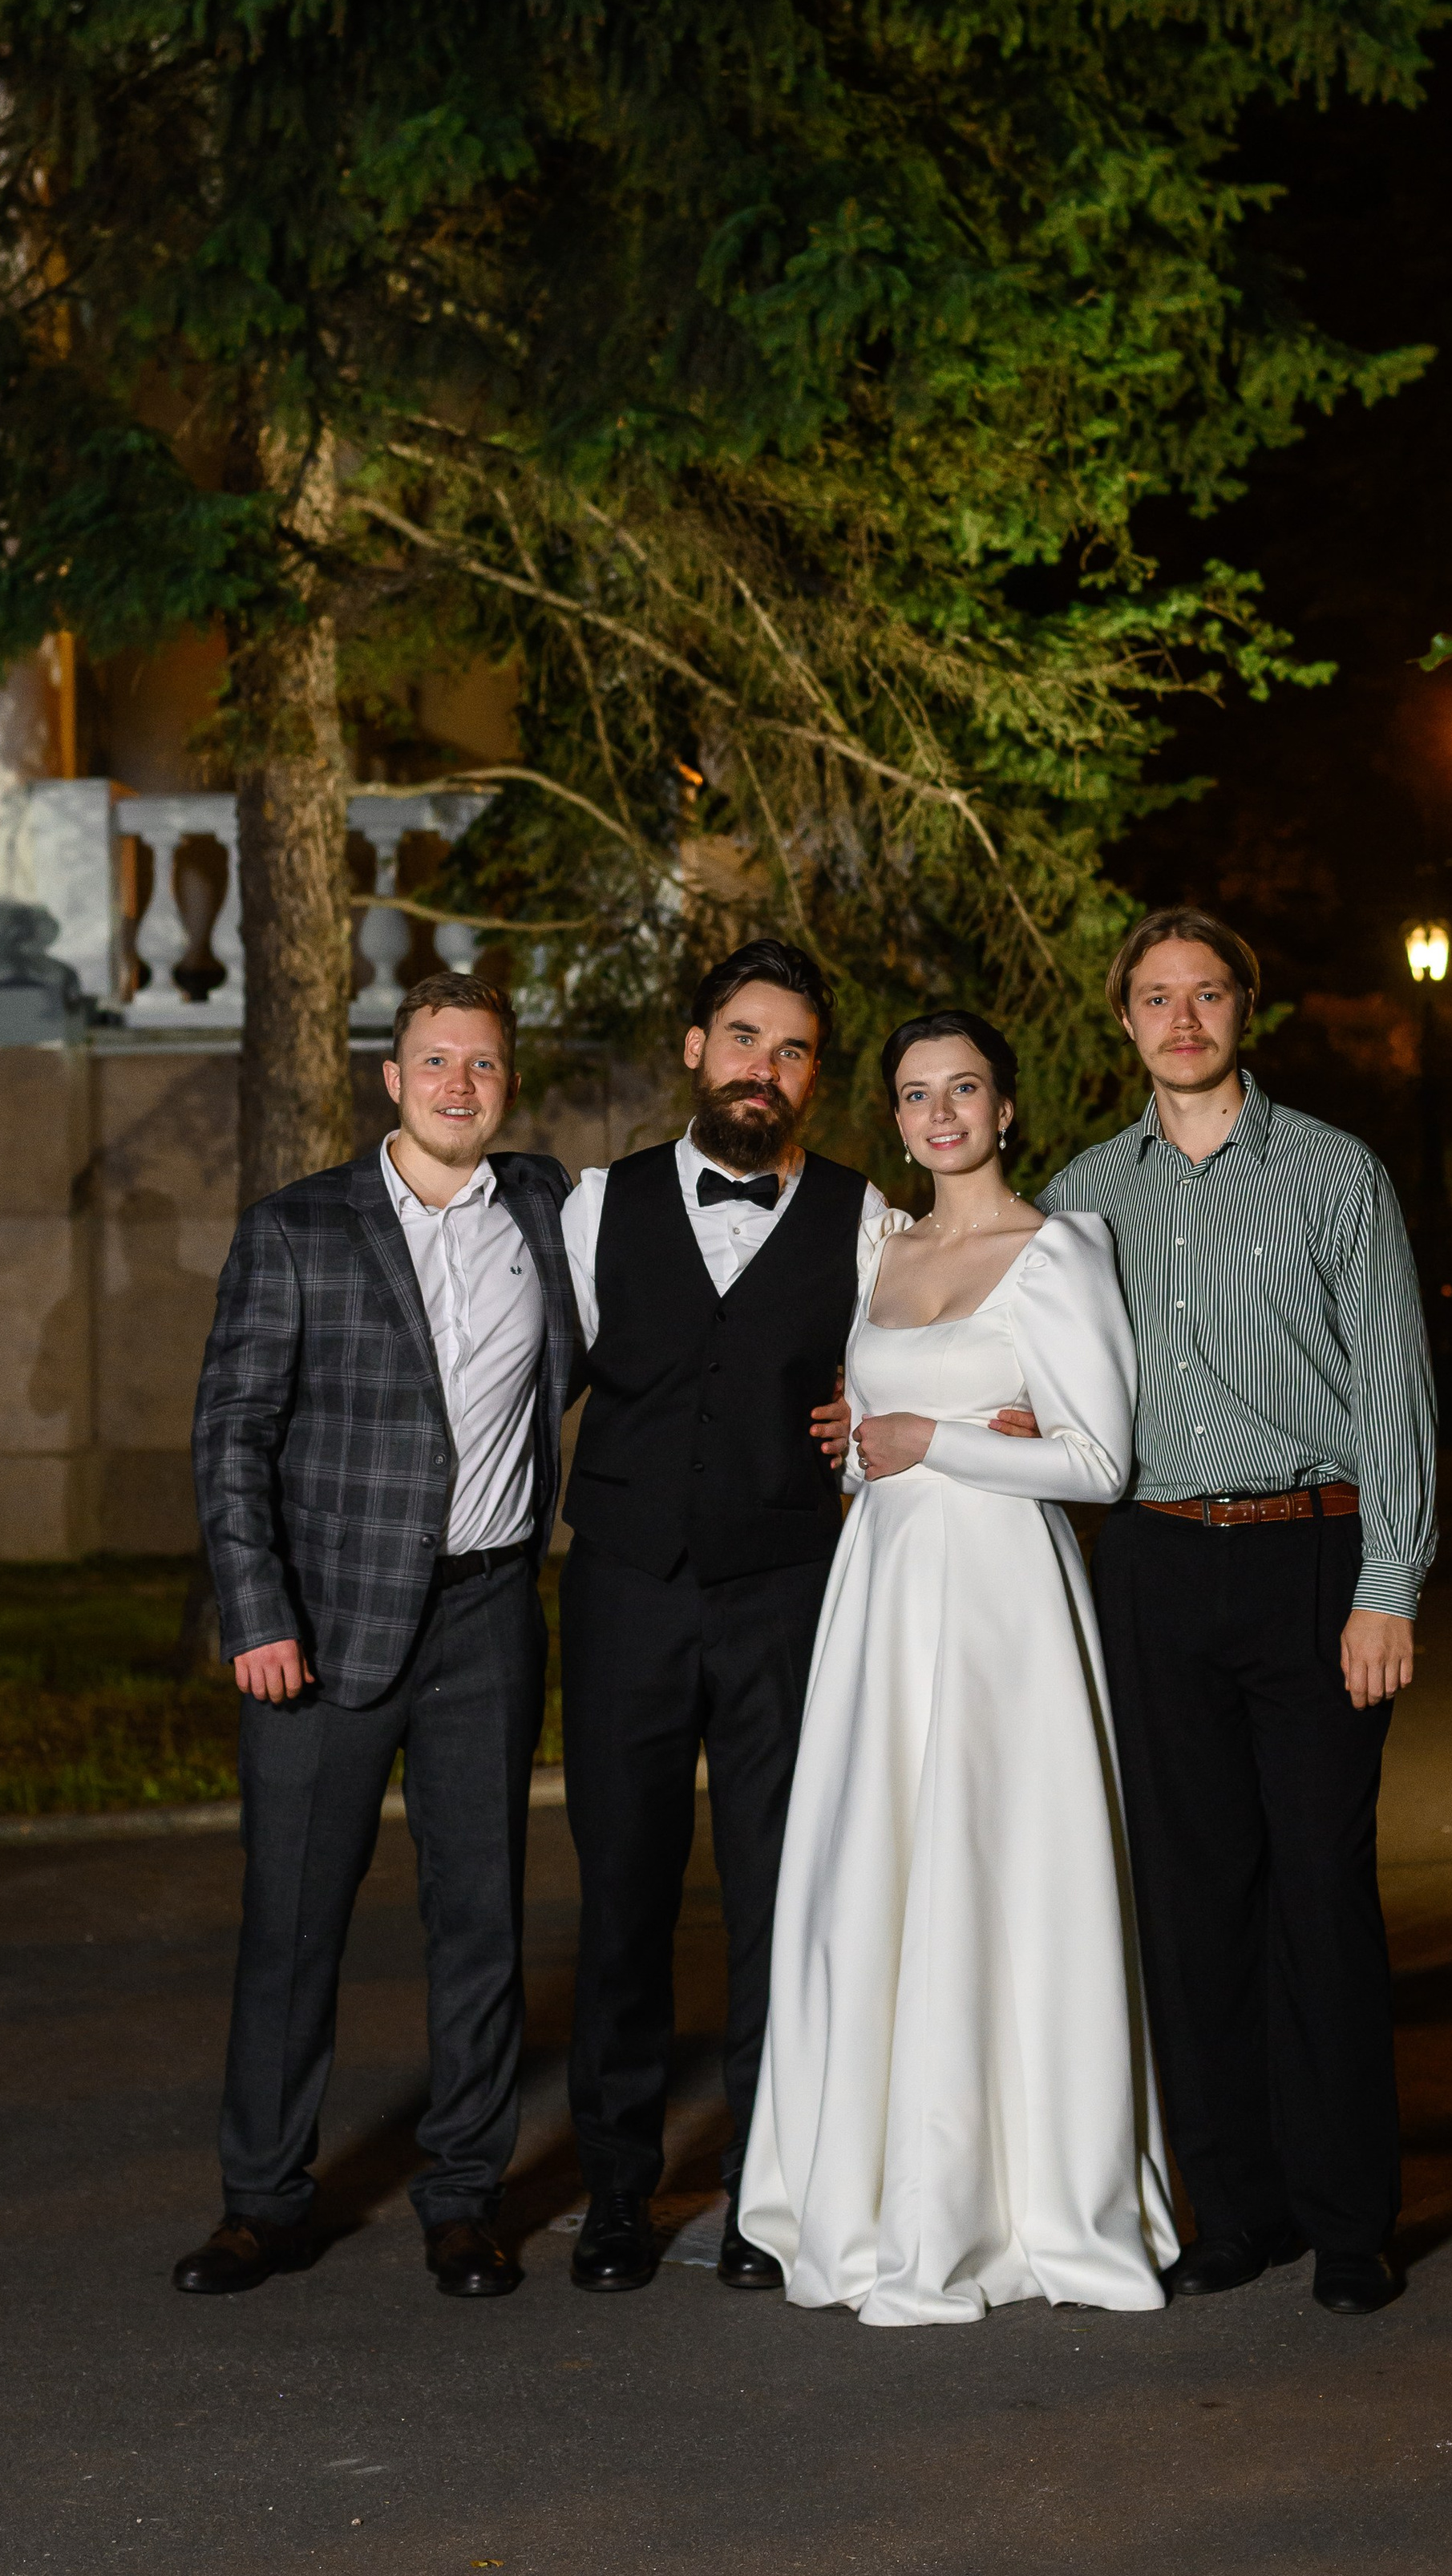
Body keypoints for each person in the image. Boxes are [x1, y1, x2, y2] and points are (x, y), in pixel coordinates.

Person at [738, 1011, 1176, 2324]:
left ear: (1005, 1109)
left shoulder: (1058, 1255)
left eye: (964, 1090)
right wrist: (863, 1435)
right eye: (918, 1094)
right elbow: (866, 1421)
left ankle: (1020, 2199)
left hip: (1001, 1608)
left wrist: (942, 1439)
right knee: (873, 1870)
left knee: (1000, 1873)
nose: (941, 1114)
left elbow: (1103, 1463)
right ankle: (870, 2188)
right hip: (880, 1592)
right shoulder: (883, 1244)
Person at [1033, 907, 1437, 2320]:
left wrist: (1388, 1585)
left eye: (1208, 994)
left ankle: (1347, 2221)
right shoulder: (1085, 1192)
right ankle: (1236, 2210)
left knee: (1321, 1892)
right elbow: (1035, 1372)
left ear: (1244, 1009)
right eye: (1156, 998)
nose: (1183, 1019)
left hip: (1310, 1559)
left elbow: (1393, 1391)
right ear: (1125, 1019)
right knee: (1191, 1899)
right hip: (1150, 1563)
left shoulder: (1334, 1173)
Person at [176, 972, 580, 2303]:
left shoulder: (547, 1213)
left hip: (487, 1613)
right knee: (293, 1924)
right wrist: (258, 1615)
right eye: (436, 1063)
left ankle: (464, 2200)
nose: (461, 1084)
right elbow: (231, 1435)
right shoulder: (298, 1229)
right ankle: (263, 2204)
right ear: (391, 1080)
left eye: (483, 1063)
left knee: (481, 1922)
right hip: (324, 1626)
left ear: (504, 1084)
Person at [556, 938, 881, 2294]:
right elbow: (531, 1381)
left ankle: (768, 2197)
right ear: (696, 1050)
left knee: (778, 1901)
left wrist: (865, 1435)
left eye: (793, 1049)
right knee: (622, 1901)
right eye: (744, 1038)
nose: (766, 1067)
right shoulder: (592, 1207)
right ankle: (619, 2196)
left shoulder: (868, 1224)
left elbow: (915, 1385)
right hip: (624, 1589)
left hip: (786, 1593)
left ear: (813, 1080)